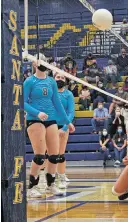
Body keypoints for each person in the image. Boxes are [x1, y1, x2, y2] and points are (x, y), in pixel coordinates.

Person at [24, 53, 75, 198]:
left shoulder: (51, 81)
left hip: (51, 119)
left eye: (45, 60)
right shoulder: (29, 81)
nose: (44, 62)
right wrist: (37, 113)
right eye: (40, 60)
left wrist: (67, 122)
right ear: (34, 64)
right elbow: (22, 102)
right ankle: (31, 187)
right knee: (40, 155)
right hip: (35, 119)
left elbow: (57, 103)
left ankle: (50, 185)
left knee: (54, 155)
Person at [54, 73, 75, 188]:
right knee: (49, 153)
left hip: (63, 126)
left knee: (61, 153)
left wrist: (65, 128)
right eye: (58, 77)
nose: (60, 79)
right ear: (53, 78)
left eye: (62, 77)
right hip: (50, 126)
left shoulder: (68, 94)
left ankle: (62, 175)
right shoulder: (50, 93)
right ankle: (49, 176)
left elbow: (71, 112)